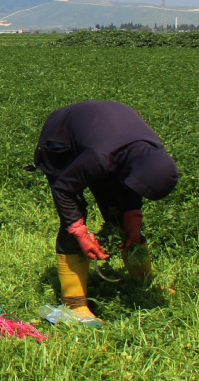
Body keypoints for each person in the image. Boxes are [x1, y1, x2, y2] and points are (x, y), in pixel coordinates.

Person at [32, 100, 178, 326]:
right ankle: (74, 305)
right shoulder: (102, 158)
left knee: (119, 214)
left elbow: (133, 182)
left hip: (104, 140)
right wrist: (79, 232)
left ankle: (144, 281)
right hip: (62, 140)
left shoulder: (151, 152)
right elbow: (64, 188)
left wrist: (132, 218)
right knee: (73, 218)